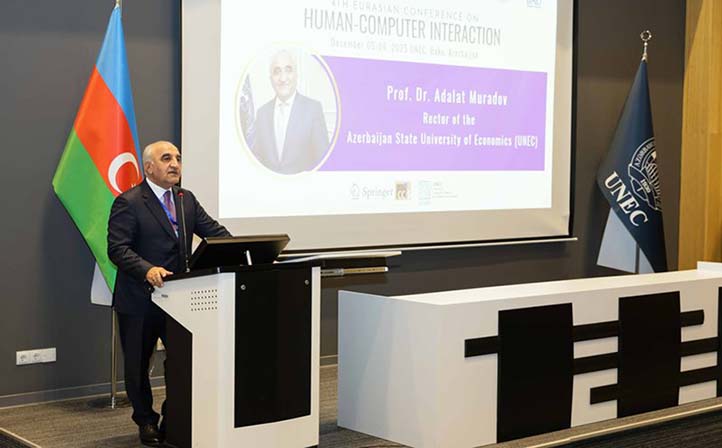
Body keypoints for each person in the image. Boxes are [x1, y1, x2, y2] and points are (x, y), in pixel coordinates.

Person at [107, 140, 230, 446]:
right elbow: (118, 249)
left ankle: (172, 415)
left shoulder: (185, 199)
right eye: (166, 158)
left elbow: (214, 232)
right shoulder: (129, 202)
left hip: (180, 299)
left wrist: (242, 249)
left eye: (178, 158)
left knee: (181, 361)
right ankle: (146, 421)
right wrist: (147, 269)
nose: (175, 164)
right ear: (149, 167)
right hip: (140, 297)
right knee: (137, 365)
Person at [250, 49, 330, 174]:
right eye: (277, 72)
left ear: (296, 75)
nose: (283, 78)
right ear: (271, 79)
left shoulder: (313, 109)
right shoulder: (262, 113)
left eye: (288, 70)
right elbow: (257, 158)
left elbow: (323, 161)